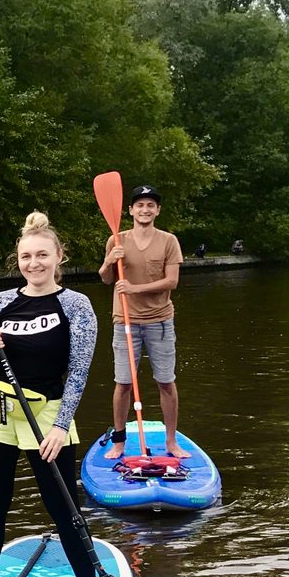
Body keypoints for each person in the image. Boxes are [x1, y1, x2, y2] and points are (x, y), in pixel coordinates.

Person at [0, 212, 113, 577]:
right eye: (26, 256)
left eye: (42, 255)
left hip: (47, 414)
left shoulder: (75, 305)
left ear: (58, 256)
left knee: (65, 508)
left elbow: (79, 371)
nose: (34, 263)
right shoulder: (0, 302)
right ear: (18, 260)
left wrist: (62, 426)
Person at [99, 184, 187, 459]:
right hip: (124, 321)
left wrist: (134, 289)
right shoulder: (116, 239)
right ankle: (119, 442)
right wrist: (109, 262)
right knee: (123, 383)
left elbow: (172, 281)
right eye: (140, 205)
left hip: (160, 321)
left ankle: (171, 442)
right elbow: (106, 279)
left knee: (165, 382)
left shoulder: (169, 241)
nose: (145, 209)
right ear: (131, 210)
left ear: (157, 210)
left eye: (151, 205)